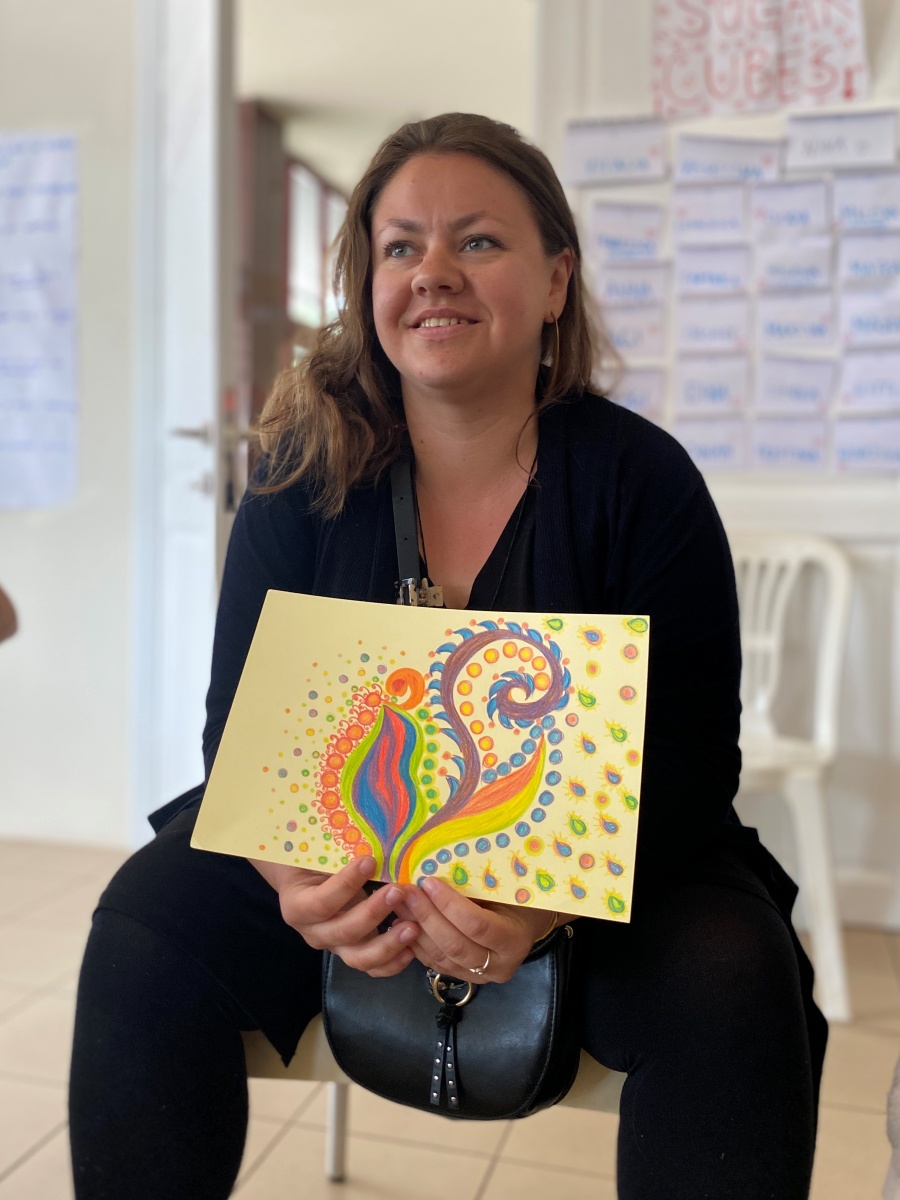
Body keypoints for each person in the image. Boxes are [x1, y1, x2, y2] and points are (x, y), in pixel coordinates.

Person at [69, 113, 827, 1199]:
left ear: (556, 280)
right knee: (146, 926)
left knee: (731, 971)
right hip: (343, 864)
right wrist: (296, 886)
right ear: (368, 284)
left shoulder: (645, 481)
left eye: (477, 240)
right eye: (400, 246)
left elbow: (694, 761)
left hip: (595, 870)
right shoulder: (300, 473)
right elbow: (241, 733)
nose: (433, 272)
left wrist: (548, 899)